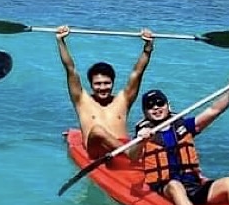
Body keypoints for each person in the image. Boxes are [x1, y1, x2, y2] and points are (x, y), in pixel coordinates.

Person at [135, 81, 229, 205]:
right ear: (145, 112)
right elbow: (132, 156)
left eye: (160, 103)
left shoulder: (184, 126)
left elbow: (215, 110)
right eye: (150, 106)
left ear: (168, 105)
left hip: (194, 187)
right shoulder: (144, 133)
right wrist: (141, 141)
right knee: (174, 185)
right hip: (166, 190)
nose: (156, 107)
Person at [56, 25, 155, 156]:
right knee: (97, 130)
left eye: (106, 83)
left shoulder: (123, 99)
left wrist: (148, 48)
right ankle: (129, 152)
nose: (102, 88)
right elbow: (70, 69)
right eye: (98, 84)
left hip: (122, 146)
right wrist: (61, 41)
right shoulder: (82, 100)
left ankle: (128, 152)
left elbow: (137, 72)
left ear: (113, 83)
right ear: (91, 85)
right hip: (97, 151)